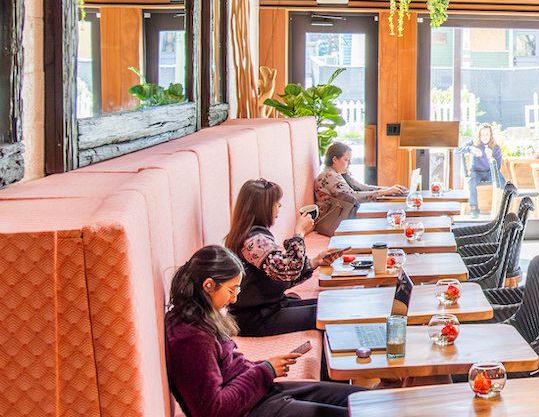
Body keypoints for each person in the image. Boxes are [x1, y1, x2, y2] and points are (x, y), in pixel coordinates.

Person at [165, 245, 364, 417]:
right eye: (231, 290)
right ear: (208, 285)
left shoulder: (200, 317)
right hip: (247, 410)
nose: (234, 299)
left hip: (254, 397)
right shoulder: (189, 338)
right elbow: (214, 410)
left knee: (358, 399)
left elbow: (229, 370)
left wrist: (264, 367)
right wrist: (266, 370)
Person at [224, 179, 341, 338]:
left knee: (332, 304)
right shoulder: (254, 241)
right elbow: (287, 271)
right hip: (255, 318)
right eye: (275, 202)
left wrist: (315, 262)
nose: (279, 206)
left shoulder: (249, 234)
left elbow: (280, 273)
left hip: (268, 307)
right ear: (262, 207)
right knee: (331, 312)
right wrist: (299, 232)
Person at [313, 141, 405, 235]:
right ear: (335, 159)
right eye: (346, 160)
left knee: (381, 214)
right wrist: (384, 192)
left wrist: (386, 189)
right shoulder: (329, 176)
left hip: (340, 216)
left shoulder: (335, 174)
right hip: (331, 222)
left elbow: (362, 187)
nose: (350, 163)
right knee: (382, 217)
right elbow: (353, 197)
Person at [461, 123, 505, 218]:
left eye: (487, 134)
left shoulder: (496, 148)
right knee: (471, 181)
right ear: (479, 135)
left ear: (491, 135)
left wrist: (491, 158)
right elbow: (458, 150)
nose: (485, 137)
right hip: (476, 172)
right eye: (482, 134)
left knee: (501, 179)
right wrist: (471, 149)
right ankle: (474, 208)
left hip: (490, 171)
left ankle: (501, 207)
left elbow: (497, 167)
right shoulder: (474, 143)